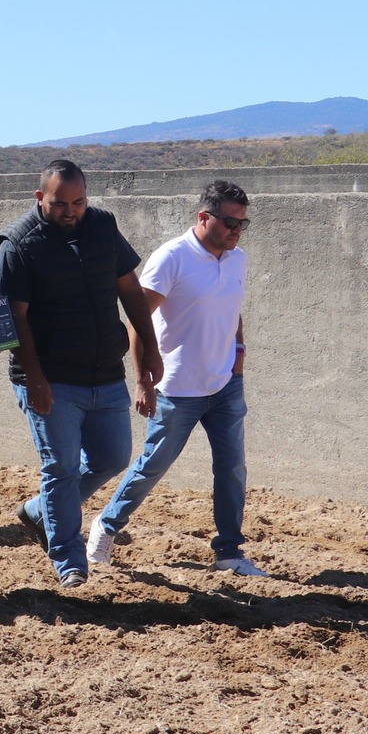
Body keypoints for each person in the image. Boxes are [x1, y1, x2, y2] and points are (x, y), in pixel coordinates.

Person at [0, 161, 162, 587]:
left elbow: (130, 291)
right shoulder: (18, 245)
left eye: (79, 202)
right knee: (61, 467)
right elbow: (14, 319)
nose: (71, 211)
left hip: (105, 372)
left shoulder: (102, 226)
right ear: (39, 198)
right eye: (60, 204)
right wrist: (34, 378)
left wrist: (150, 353)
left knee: (111, 458)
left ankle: (39, 511)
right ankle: (68, 559)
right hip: (51, 377)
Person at [90, 180, 263, 576]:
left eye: (243, 224)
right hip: (176, 388)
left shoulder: (237, 259)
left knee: (232, 468)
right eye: (229, 223)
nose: (236, 231)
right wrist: (142, 380)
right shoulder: (172, 257)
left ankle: (229, 552)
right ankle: (107, 525)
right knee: (153, 465)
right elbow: (137, 319)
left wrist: (238, 352)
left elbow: (231, 308)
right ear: (203, 218)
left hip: (225, 385)